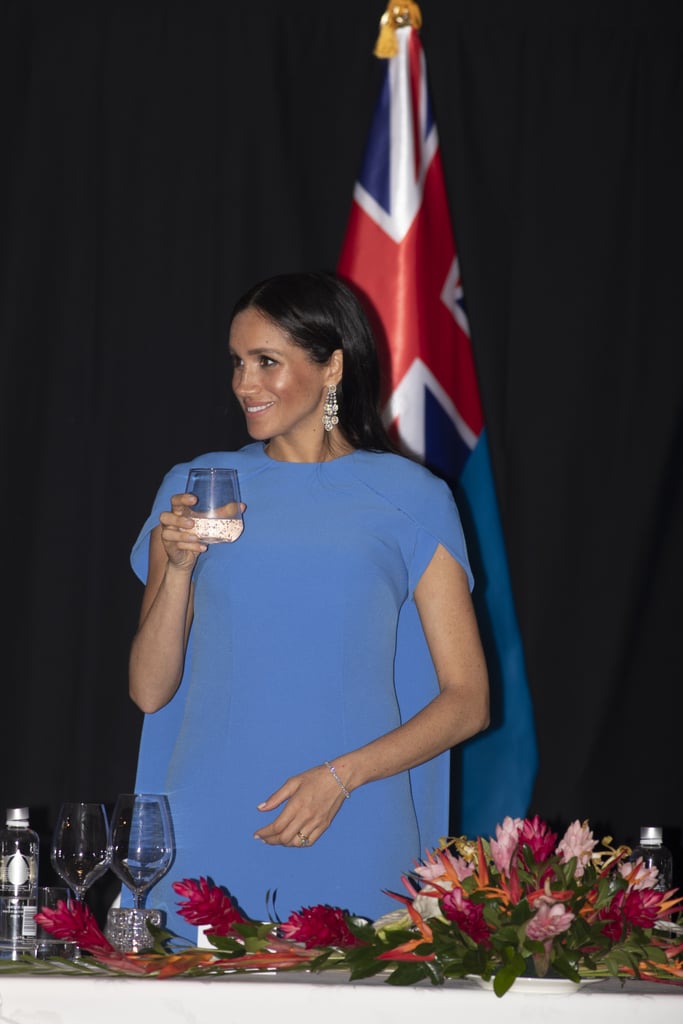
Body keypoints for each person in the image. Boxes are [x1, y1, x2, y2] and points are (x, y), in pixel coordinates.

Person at [126, 271, 489, 940]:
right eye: (237, 362)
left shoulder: (410, 496)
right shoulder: (195, 488)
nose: (243, 384)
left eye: (267, 362)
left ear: (332, 368)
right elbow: (149, 690)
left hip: (355, 809)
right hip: (207, 814)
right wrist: (177, 567)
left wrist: (338, 779)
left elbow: (467, 700)